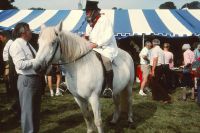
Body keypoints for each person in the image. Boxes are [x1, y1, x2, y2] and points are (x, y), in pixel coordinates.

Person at [9, 22, 43, 133]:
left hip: (35, 79)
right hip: (26, 80)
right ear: (22, 32)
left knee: (36, 111)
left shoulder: (28, 45)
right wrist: (36, 61)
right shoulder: (16, 45)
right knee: (28, 111)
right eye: (29, 30)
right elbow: (19, 64)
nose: (31, 32)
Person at [84, 0, 118, 97]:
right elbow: (87, 36)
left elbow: (108, 36)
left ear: (95, 11)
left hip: (106, 47)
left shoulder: (105, 20)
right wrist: (84, 39)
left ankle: (109, 87)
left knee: (106, 61)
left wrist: (96, 44)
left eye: (88, 11)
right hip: (93, 47)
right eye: (86, 11)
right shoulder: (89, 23)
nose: (87, 13)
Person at [149, 39, 171, 103]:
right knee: (156, 82)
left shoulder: (155, 50)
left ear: (153, 43)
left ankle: (166, 97)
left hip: (156, 67)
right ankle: (156, 96)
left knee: (156, 83)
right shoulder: (161, 50)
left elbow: (155, 59)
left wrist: (153, 70)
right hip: (161, 67)